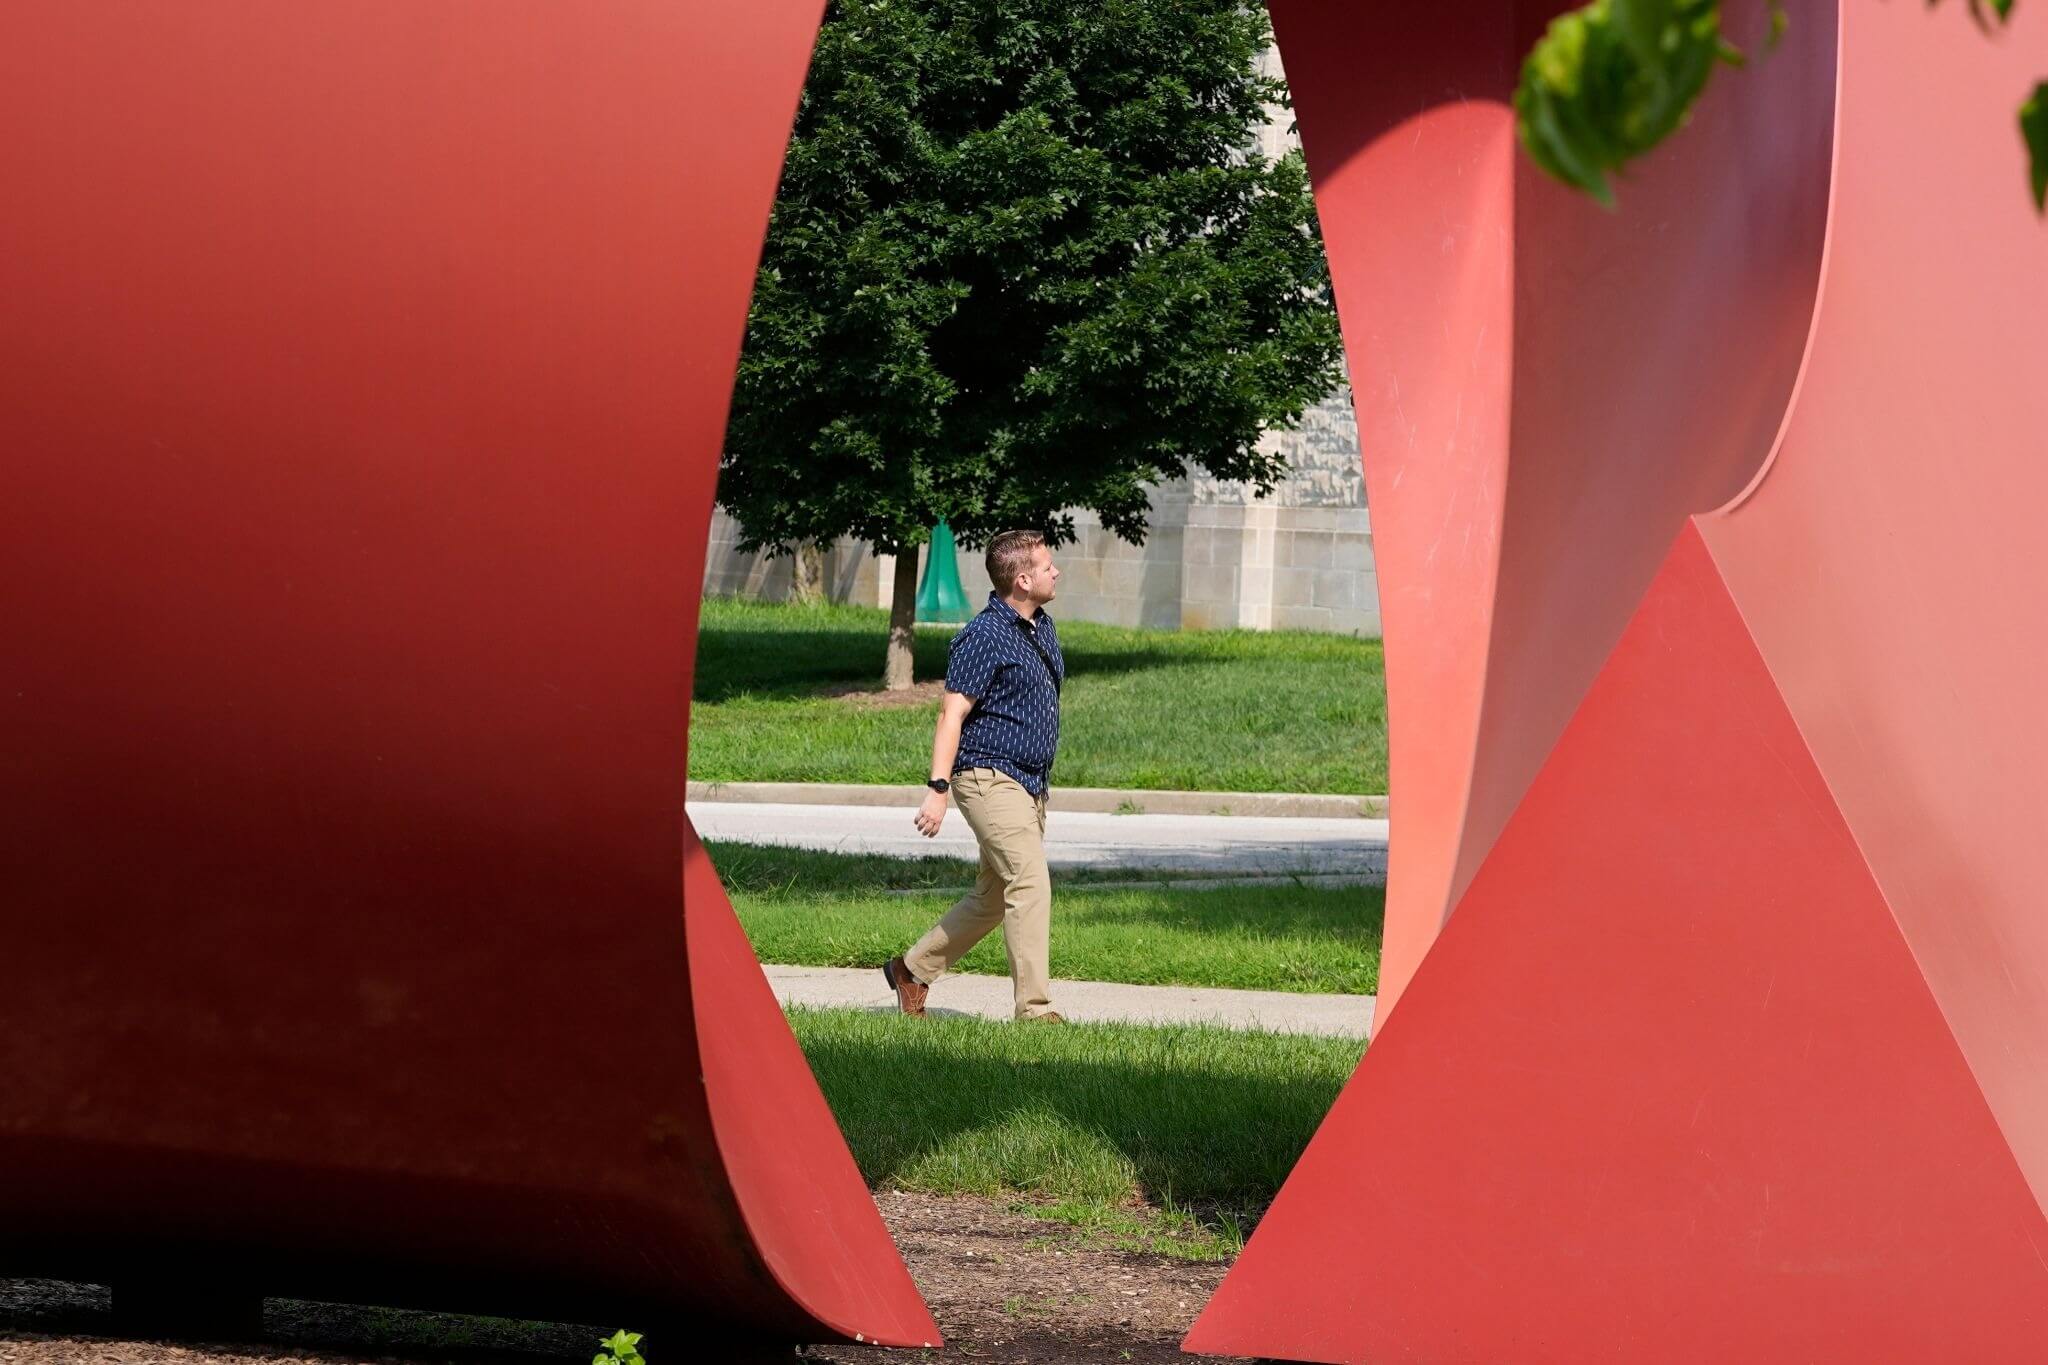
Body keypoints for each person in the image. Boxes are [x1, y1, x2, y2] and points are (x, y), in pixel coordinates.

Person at [884, 529, 1066, 1022]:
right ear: (1022, 580)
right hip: (988, 777)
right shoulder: (982, 637)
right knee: (1029, 883)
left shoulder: (1040, 627)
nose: (1056, 572)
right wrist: (938, 789)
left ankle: (911, 970)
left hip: (1028, 783)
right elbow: (951, 715)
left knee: (993, 898)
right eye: (1047, 566)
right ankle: (1035, 1011)